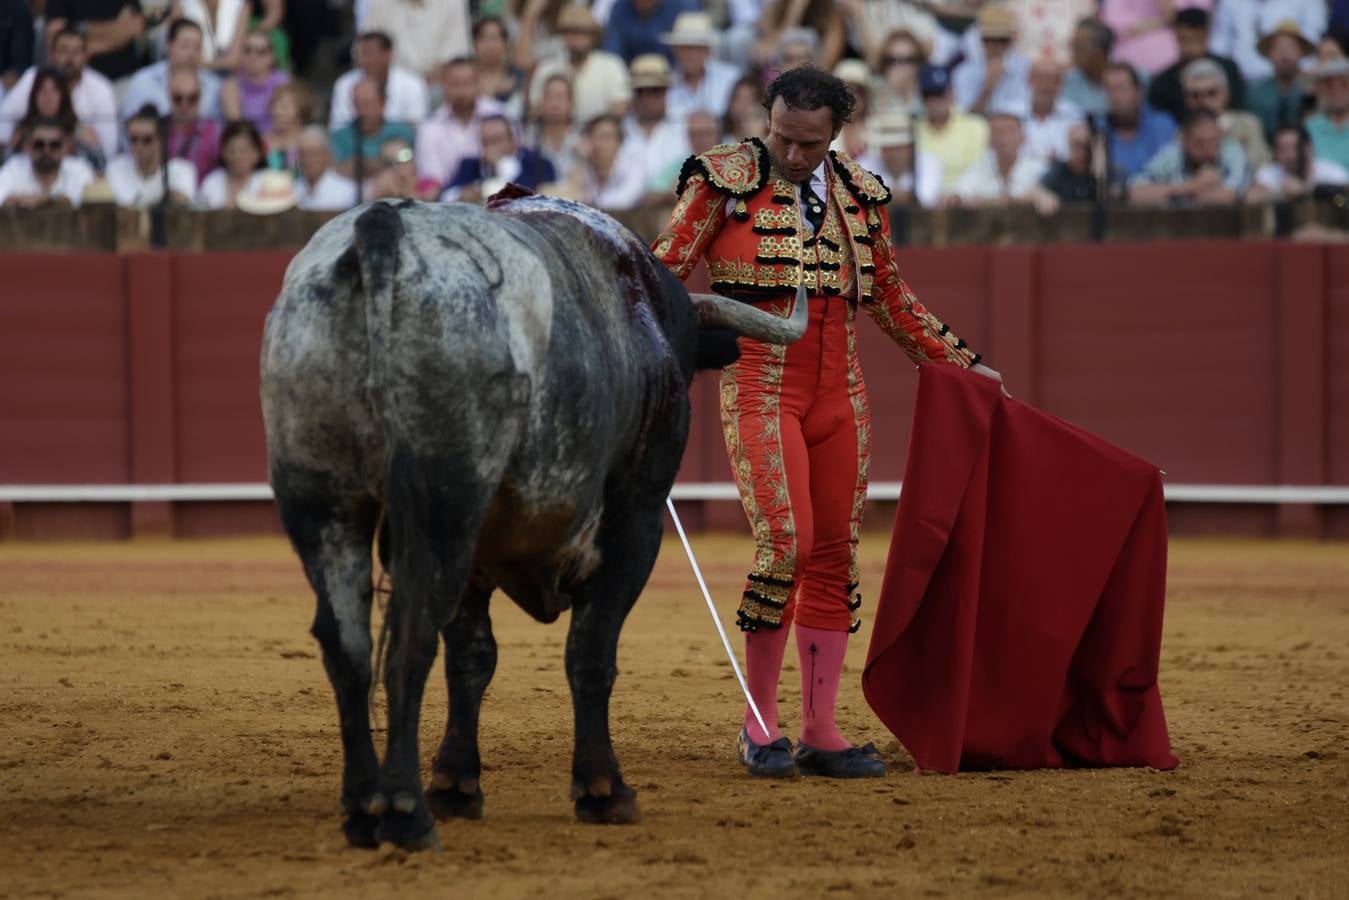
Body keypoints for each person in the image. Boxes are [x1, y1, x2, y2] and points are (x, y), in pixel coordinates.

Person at [650, 64, 1001, 780]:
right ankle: (759, 725)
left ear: (836, 134)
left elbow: (894, 303)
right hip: (759, 388)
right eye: (781, 137)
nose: (793, 155)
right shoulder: (720, 181)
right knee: (786, 544)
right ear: (766, 120)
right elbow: (661, 275)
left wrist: (963, 365)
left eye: (810, 144)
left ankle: (818, 727)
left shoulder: (861, 195)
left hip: (840, 396)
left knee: (835, 557)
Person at [0, 29, 117, 158]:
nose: (69, 58)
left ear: (86, 56)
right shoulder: (33, 77)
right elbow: (2, 128)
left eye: (76, 52)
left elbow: (108, 151)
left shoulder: (101, 88)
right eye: (63, 50)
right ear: (52, 53)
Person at [526, 4, 632, 126]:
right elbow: (535, 110)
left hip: (598, 138)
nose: (573, 39)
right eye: (568, 33)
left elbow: (620, 109)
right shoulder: (546, 68)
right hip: (557, 137)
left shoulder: (611, 65)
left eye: (579, 33)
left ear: (593, 36)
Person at [414, 56, 505, 189]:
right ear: (443, 86)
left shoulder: (501, 115)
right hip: (447, 205)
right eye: (456, 84)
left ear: (478, 83)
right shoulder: (430, 128)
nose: (462, 90)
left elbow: (516, 162)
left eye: (467, 83)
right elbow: (432, 180)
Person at [1129, 107, 1249, 204]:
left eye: (1214, 143)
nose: (1209, 150)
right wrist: (1192, 186)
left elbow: (1228, 197)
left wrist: (1170, 196)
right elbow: (1134, 192)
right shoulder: (1173, 153)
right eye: (1200, 144)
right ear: (1184, 140)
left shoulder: (1232, 151)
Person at [1147, 7, 1246, 122]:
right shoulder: (1163, 82)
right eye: (1185, 39)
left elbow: (1238, 110)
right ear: (1176, 37)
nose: (1191, 46)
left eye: (1196, 38)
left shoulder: (1229, 69)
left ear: (1207, 35)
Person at [120, 18, 223, 122]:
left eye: (197, 47)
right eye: (185, 46)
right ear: (168, 46)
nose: (191, 53)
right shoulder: (143, 81)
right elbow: (129, 125)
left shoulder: (214, 85)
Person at [328, 31, 428, 131]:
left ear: (388, 55)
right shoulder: (344, 84)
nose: (363, 60)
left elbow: (417, 127)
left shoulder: (412, 83)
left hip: (400, 143)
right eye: (359, 54)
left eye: (368, 53)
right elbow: (338, 126)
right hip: (355, 142)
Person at [1181, 57, 1270, 168]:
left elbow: (1260, 165)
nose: (1203, 100)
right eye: (1195, 95)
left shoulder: (1248, 125)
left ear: (1226, 93)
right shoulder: (1182, 132)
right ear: (1186, 99)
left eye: (1211, 93)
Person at [441, 114, 555, 201]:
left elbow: (536, 199)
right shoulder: (470, 165)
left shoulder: (539, 164)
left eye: (496, 140)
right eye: (485, 142)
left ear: (512, 140)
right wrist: (461, 195)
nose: (490, 148)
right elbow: (443, 196)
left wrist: (501, 165)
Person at [1099, 61, 1177, 185]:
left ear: (1138, 91)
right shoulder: (1097, 129)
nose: (1116, 96)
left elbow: (1170, 172)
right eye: (1110, 89)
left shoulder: (1162, 125)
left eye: (1121, 88)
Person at [1209, 0, 1326, 83]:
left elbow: (1313, 41)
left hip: (1295, 81)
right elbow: (1219, 45)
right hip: (1241, 83)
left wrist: (1302, 76)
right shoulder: (1229, 2)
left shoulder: (1310, 2)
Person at [915, 63, 989, 193]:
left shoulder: (975, 126)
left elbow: (980, 170)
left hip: (966, 200)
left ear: (952, 93)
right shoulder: (913, 129)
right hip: (924, 202)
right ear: (922, 97)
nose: (935, 101)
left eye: (941, 94)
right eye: (929, 95)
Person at [105, 102, 197, 205]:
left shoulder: (182, 169)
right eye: (133, 139)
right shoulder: (116, 168)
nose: (139, 146)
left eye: (147, 140)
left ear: (160, 139)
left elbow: (182, 201)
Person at [951, 109, 1048, 203]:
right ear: (989, 140)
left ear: (1023, 138)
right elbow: (959, 195)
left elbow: (1048, 197)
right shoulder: (979, 168)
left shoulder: (1039, 169)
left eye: (1009, 132)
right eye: (996, 132)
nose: (1003, 139)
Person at [951, 4, 1032, 116]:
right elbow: (965, 120)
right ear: (981, 40)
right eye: (990, 39)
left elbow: (1025, 111)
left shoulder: (1025, 69)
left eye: (1002, 40)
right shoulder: (964, 73)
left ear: (1011, 41)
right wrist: (987, 88)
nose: (996, 45)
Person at [361, 0, 471, 82]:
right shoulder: (378, 3)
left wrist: (421, 85)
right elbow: (364, 50)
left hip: (438, 83)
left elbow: (456, 55)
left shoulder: (454, 2)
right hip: (388, 81)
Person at [331, 77, 417, 179]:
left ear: (383, 103)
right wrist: (387, 162)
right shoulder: (340, 137)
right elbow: (337, 171)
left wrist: (361, 163)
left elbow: (409, 163)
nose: (363, 112)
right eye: (357, 105)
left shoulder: (403, 133)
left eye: (368, 105)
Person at [43, 0, 145, 86]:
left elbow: (136, 28)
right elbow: (55, 37)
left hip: (124, 81)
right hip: (76, 84)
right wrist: (117, 35)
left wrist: (78, 29)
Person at [663, 11, 741, 121]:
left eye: (696, 48)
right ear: (675, 50)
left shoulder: (731, 79)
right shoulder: (665, 84)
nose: (689, 55)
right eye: (684, 48)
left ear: (707, 50)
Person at [854, 109, 941, 206]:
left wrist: (879, 194)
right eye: (888, 147)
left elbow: (925, 199)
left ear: (910, 147)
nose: (893, 154)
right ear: (881, 148)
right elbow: (859, 197)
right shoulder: (864, 163)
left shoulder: (928, 163)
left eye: (898, 147)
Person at [0, 117, 94, 206]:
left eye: (54, 145)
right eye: (39, 144)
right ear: (28, 146)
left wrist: (46, 200)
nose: (46, 151)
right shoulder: (14, 167)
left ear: (65, 147)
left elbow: (83, 201)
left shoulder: (79, 169)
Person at [1247, 21, 1315, 143]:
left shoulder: (1314, 88)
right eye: (1278, 48)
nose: (1285, 53)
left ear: (1301, 52)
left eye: (1291, 47)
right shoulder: (1256, 92)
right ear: (1269, 54)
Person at [1247, 122, 1349, 200]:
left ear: (1309, 147)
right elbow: (1251, 198)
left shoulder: (1332, 171)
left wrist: (1306, 190)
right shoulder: (1268, 173)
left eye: (1296, 147)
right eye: (1283, 149)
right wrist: (1281, 192)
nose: (1291, 155)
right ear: (1276, 154)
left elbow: (1344, 193)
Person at [219, 28, 288, 133]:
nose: (253, 56)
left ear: (272, 56)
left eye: (261, 52)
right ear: (240, 55)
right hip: (246, 141)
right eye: (248, 50)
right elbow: (237, 126)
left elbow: (287, 123)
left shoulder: (284, 83)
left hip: (277, 140)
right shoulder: (230, 85)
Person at [1028, 120, 1099, 215]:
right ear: (1068, 145)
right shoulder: (1059, 170)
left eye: (1087, 146)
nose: (1083, 153)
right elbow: (1034, 190)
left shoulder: (1106, 172)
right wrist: (1043, 196)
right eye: (1077, 146)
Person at [165, 65, 221, 184]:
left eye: (192, 98)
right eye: (178, 98)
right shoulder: (156, 128)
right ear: (169, 96)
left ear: (200, 96)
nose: (185, 104)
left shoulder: (216, 132)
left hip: (203, 199)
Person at [197, 117, 264, 207]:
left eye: (244, 150)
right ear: (223, 152)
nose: (237, 156)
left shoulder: (266, 183)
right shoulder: (212, 181)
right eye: (231, 150)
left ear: (257, 154)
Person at [294, 124, 357, 209]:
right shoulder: (293, 189)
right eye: (303, 154)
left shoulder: (346, 190)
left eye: (314, 154)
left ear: (327, 155)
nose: (308, 160)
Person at [1307, 58, 1349, 171]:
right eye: (1329, 85)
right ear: (1319, 90)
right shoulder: (1308, 128)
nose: (1336, 90)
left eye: (1344, 84)